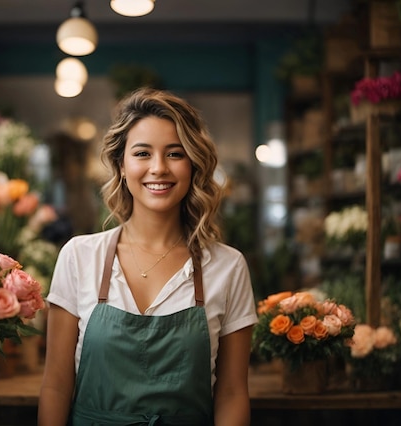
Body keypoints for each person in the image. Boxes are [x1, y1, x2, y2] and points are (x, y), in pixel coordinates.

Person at [38, 87, 258, 425]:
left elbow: (231, 392)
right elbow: (55, 384)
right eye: (142, 153)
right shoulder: (80, 257)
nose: (158, 168)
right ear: (122, 166)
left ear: (193, 164)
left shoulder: (227, 267)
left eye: (174, 153)